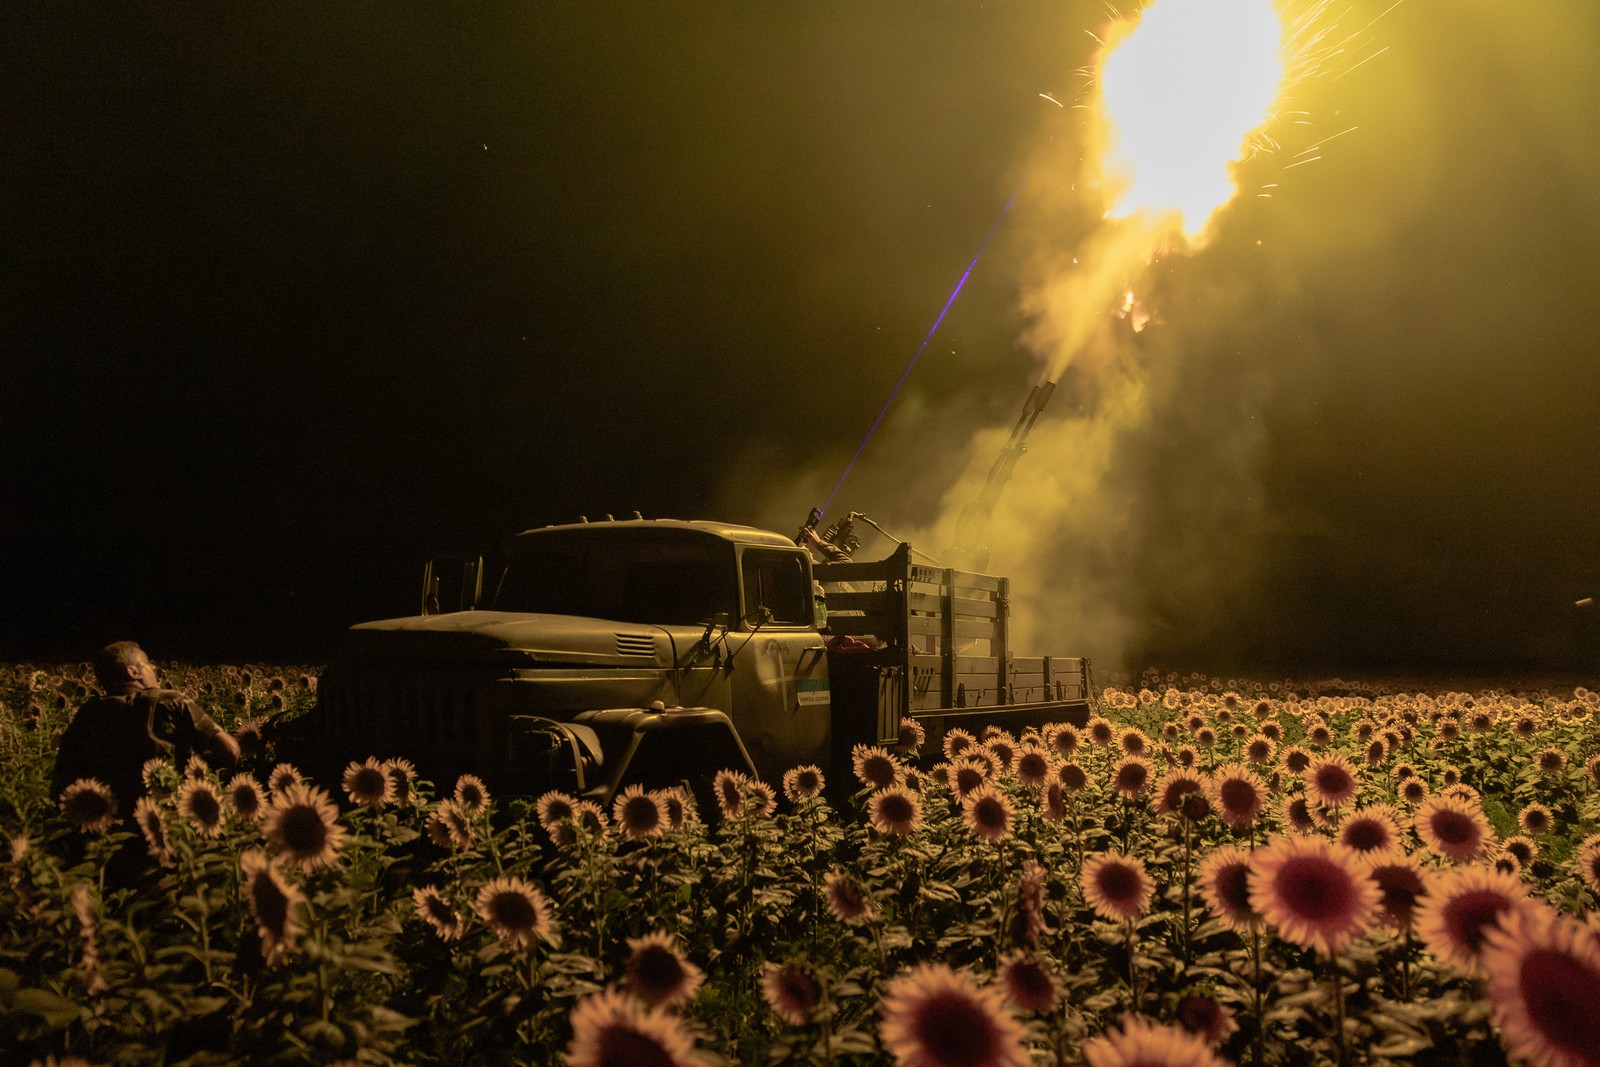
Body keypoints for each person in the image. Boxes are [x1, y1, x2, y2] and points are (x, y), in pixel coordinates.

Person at [51, 641, 241, 814]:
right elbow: (229, 750)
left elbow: (62, 781)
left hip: (107, 825)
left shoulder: (87, 714)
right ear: (133, 672)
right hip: (168, 817)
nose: (153, 668)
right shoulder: (168, 700)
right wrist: (193, 769)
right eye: (148, 664)